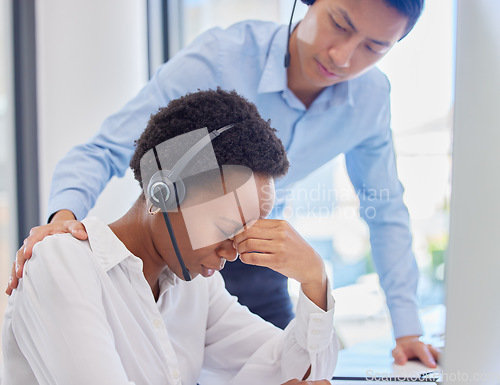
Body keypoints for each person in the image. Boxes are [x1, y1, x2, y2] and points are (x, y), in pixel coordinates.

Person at [8, 0, 440, 367]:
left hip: (254, 262)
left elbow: (384, 209)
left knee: (286, 364)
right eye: (340, 24)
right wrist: (63, 222)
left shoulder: (369, 99)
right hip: (180, 244)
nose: (344, 56)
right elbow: (103, 149)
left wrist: (407, 329)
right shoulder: (220, 57)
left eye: (374, 47)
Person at [2, 89, 338, 385]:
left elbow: (295, 371)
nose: (233, 251)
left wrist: (314, 279)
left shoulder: (195, 287)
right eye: (225, 227)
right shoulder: (63, 263)